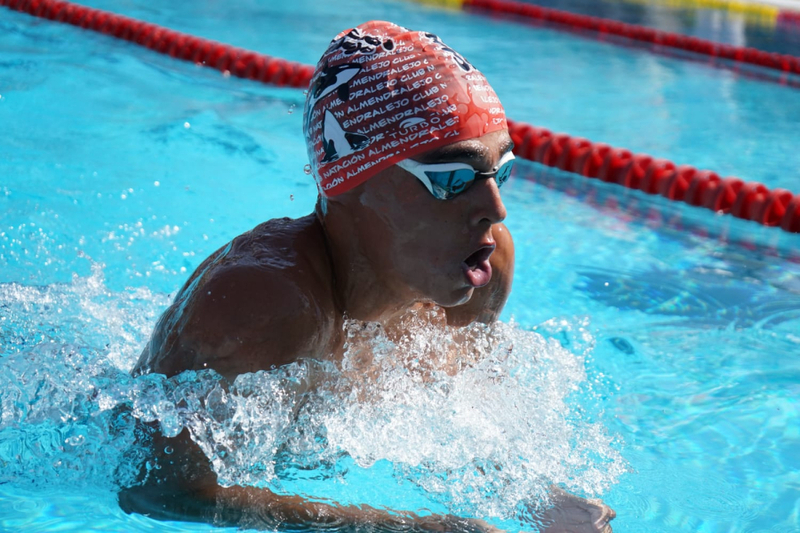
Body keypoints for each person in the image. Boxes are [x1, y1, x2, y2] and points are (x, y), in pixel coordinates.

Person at [119, 21, 616, 532]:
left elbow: (455, 415)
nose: (495, 209)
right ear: (353, 184)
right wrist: (400, 528)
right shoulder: (263, 303)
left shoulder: (476, 273)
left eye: (501, 170)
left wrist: (538, 500)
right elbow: (158, 490)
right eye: (452, 180)